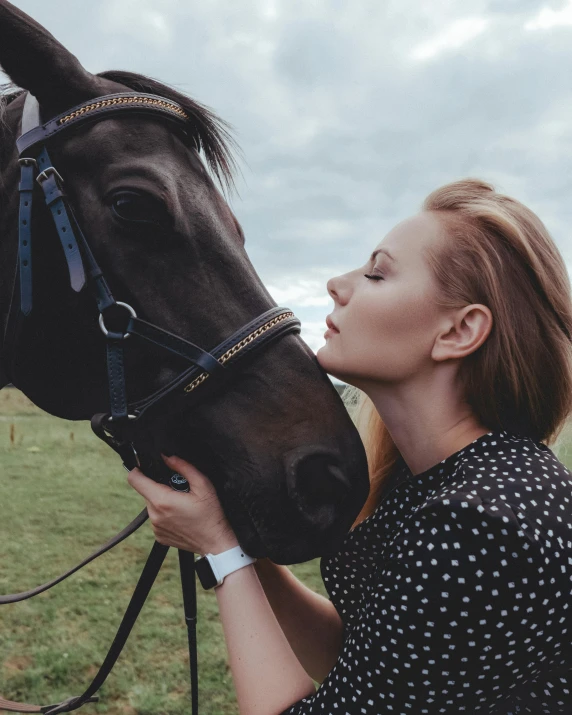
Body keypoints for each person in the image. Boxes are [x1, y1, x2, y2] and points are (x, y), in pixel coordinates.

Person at [127, 177, 572, 714]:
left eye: (377, 273)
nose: (338, 284)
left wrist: (223, 554)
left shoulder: (479, 523)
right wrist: (231, 543)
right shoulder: (428, 480)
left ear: (458, 332)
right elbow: (367, 661)